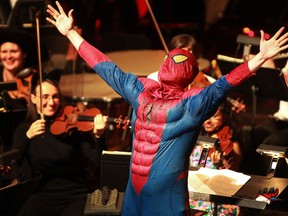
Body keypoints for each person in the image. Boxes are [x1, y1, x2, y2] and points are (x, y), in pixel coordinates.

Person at [46, 1, 288, 215]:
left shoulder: (139, 90)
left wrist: (70, 34)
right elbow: (225, 83)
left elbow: (105, 66)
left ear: (163, 68)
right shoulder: (193, 104)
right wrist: (259, 58)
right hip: (167, 194)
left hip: (135, 190)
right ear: (191, 76)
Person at [11, 71, 107, 216]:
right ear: (33, 98)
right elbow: (12, 164)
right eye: (45, 97)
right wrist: (27, 137)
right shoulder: (24, 129)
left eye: (55, 96)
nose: (51, 102)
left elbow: (96, 162)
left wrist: (98, 137)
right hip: (41, 196)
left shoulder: (73, 127)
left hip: (76, 196)